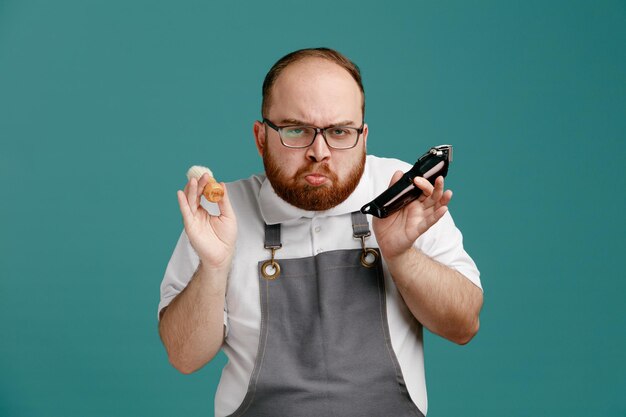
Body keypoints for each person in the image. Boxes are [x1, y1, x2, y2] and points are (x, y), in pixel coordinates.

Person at [158, 47, 483, 417]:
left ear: (363, 136)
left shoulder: (402, 194)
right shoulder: (220, 213)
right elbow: (183, 357)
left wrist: (402, 255)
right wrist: (214, 267)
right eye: (296, 130)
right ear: (260, 136)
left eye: (339, 131)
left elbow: (464, 325)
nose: (319, 151)